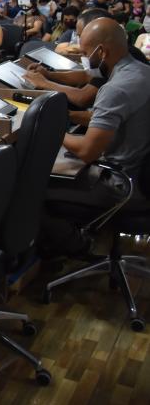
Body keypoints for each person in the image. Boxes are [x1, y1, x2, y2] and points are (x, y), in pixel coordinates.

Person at [41, 19, 150, 255]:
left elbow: (87, 151)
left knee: (31, 187)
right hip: (141, 175)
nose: (84, 58)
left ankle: (79, 247)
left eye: (85, 53)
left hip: (123, 184)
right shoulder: (143, 72)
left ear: (101, 52)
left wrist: (51, 129)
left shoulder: (116, 88)